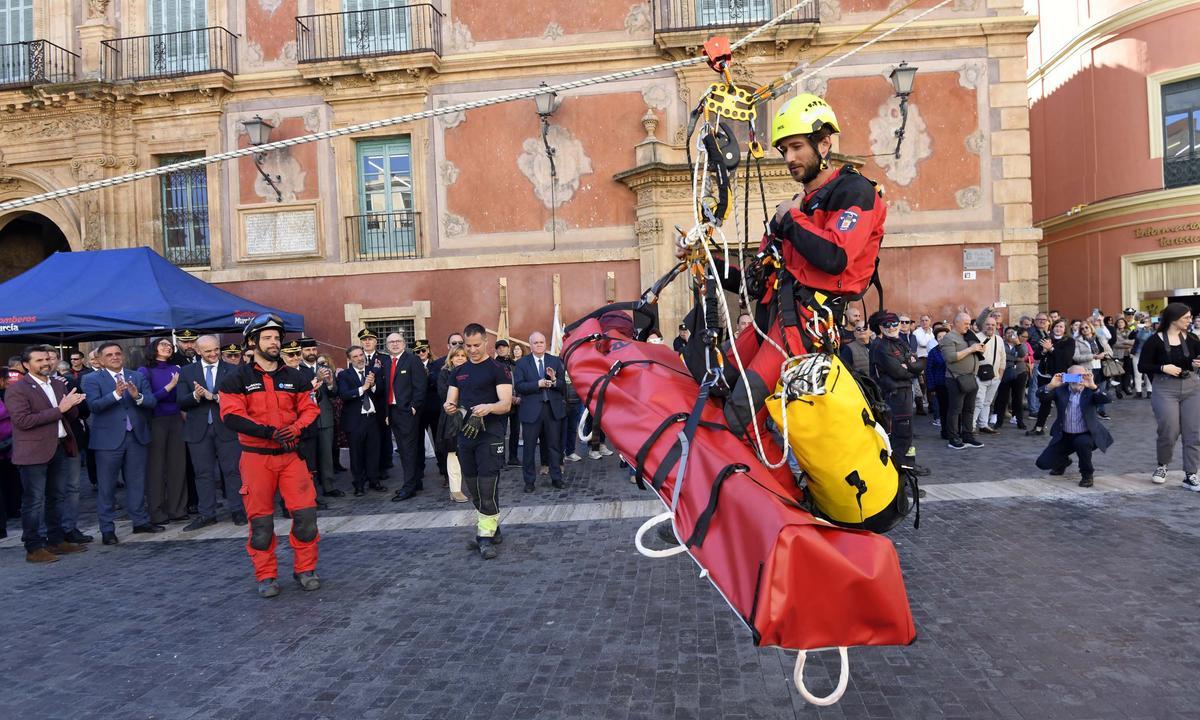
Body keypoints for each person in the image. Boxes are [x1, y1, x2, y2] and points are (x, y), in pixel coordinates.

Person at [219, 314, 322, 597]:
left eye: (277, 338)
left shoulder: (295, 376)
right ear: (252, 342)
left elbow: (310, 409)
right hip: (256, 459)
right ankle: (266, 575)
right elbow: (231, 416)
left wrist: (296, 428)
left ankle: (305, 569)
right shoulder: (236, 379)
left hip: (291, 456)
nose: (274, 342)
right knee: (261, 523)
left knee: (306, 516)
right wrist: (268, 432)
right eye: (267, 338)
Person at [6, 345, 89, 562]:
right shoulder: (17, 389)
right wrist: (60, 409)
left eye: (47, 359)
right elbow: (23, 421)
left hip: (61, 446)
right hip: (33, 451)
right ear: (26, 365)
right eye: (39, 360)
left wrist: (72, 404)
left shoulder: (57, 384)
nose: (45, 363)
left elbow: (68, 415)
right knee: (34, 501)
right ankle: (33, 547)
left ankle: (56, 540)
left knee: (56, 497)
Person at [443, 323, 513, 560]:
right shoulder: (458, 371)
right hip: (466, 435)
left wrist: (489, 407)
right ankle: (494, 527)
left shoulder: (498, 369)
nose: (472, 350)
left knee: (487, 488)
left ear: (486, 342)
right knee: (473, 489)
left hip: (491, 435)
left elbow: (506, 404)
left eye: (476, 345)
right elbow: (451, 401)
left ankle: (484, 537)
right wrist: (449, 407)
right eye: (468, 345)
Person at [82, 341, 160, 545]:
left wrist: (138, 396)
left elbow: (151, 402)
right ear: (100, 359)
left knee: (137, 482)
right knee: (107, 486)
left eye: (117, 353)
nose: (115, 357)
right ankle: (107, 529)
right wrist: (116, 394)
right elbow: (94, 406)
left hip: (136, 436)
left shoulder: (137, 375)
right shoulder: (91, 379)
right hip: (107, 440)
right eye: (109, 355)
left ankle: (140, 521)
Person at [177, 335, 245, 530]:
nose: (214, 354)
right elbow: (180, 401)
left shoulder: (233, 370)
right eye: (208, 351)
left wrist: (214, 397)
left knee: (233, 471)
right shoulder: (187, 372)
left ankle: (238, 510)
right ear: (198, 351)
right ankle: (207, 514)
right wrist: (195, 396)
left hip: (227, 428)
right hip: (197, 430)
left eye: (216, 349)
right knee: (202, 473)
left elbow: (240, 398)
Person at [1137, 302, 1200, 489]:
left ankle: (1191, 474)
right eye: (1186, 318)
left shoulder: (1193, 339)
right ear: (1174, 319)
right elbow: (1142, 366)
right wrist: (1163, 367)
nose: (1190, 321)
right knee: (1169, 429)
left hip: (1192, 387)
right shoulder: (1154, 340)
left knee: (1194, 432)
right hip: (1165, 389)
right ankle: (1162, 465)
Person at [1034, 366, 1112, 488]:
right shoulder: (1061, 389)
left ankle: (1087, 475)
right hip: (1064, 435)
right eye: (1074, 377)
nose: (1078, 380)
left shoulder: (1090, 390)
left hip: (1086, 434)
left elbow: (1107, 398)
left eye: (1081, 376)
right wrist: (1051, 385)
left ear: (1087, 375)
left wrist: (1093, 386)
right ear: (1067, 377)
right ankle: (1063, 462)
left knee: (1082, 443)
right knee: (1042, 463)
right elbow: (1040, 395)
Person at [869, 312, 926, 475]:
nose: (892, 327)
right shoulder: (881, 346)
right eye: (887, 325)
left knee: (907, 434)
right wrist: (910, 369)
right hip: (895, 395)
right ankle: (899, 475)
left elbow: (917, 362)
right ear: (880, 327)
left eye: (895, 323)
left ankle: (909, 465)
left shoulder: (900, 342)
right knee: (899, 435)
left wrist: (909, 367)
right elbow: (897, 372)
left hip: (905, 393)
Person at [141, 337, 188, 525]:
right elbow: (148, 398)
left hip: (176, 419)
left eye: (170, 345)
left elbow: (181, 396)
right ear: (154, 348)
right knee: (156, 468)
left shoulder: (177, 369)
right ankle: (157, 511)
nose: (167, 347)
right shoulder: (145, 370)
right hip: (156, 420)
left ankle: (178, 509)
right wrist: (169, 387)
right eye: (163, 344)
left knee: (178, 465)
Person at [514, 331, 567, 493]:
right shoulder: (522, 363)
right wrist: (537, 384)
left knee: (554, 446)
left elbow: (563, 386)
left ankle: (556, 478)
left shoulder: (555, 361)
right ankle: (529, 481)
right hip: (531, 411)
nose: (539, 345)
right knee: (529, 448)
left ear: (546, 344)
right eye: (535, 342)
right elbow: (519, 387)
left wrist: (554, 381)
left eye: (541, 342)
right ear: (530, 345)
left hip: (552, 410)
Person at [383, 333, 428, 502]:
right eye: (391, 342)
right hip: (393, 411)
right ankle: (415, 481)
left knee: (407, 449)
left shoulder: (412, 360)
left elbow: (420, 385)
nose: (395, 344)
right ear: (387, 345)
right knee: (405, 448)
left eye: (398, 341)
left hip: (407, 411)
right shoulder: (387, 362)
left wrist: (414, 406)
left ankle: (408, 487)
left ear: (404, 343)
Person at [337, 345, 386, 496]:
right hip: (355, 420)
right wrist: (363, 387)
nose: (360, 359)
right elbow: (344, 395)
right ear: (349, 359)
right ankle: (358, 484)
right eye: (355, 357)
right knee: (356, 454)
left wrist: (372, 386)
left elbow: (381, 392)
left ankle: (374, 480)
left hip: (372, 419)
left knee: (374, 451)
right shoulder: (344, 375)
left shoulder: (373, 371)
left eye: (361, 355)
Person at [298, 338, 340, 498]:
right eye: (307, 350)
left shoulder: (325, 368)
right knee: (310, 456)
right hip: (306, 419)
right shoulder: (298, 369)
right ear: (302, 352)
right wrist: (316, 378)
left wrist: (330, 384)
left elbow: (334, 393)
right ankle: (311, 489)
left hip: (325, 417)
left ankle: (328, 486)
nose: (311, 353)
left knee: (326, 454)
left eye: (313, 350)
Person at [939, 312, 986, 450]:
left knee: (969, 409)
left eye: (968, 324)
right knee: (955, 409)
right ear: (956, 323)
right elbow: (950, 357)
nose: (968, 326)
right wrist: (971, 349)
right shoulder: (948, 338)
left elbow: (980, 322)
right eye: (965, 324)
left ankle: (968, 436)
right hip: (956, 378)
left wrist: (980, 350)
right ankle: (953, 438)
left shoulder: (967, 335)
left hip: (970, 377)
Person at [1028, 319, 1077, 436]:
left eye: (1061, 327)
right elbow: (1036, 356)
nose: (1058, 329)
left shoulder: (1069, 341)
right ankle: (1038, 427)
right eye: (1056, 326)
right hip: (1044, 376)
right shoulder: (1046, 339)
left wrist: (1051, 349)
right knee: (1044, 401)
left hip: (1061, 377)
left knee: (1062, 403)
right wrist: (1044, 351)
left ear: (1065, 329)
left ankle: (1066, 428)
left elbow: (1066, 358)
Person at [436, 347, 470, 503]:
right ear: (451, 359)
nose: (460, 358)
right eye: (457, 356)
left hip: (471, 416)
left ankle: (474, 486)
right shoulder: (444, 373)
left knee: (470, 453)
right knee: (453, 454)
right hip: (451, 418)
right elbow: (445, 394)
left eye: (463, 356)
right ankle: (455, 490)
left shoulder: (473, 371)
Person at [356, 328, 391, 473]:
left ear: (376, 341)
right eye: (364, 340)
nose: (367, 342)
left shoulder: (384, 358)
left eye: (370, 339)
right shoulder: (357, 357)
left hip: (381, 403)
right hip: (363, 404)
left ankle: (383, 467)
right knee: (364, 437)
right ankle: (366, 468)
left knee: (382, 435)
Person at [971, 316, 1005, 434]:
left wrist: (1000, 375)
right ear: (983, 325)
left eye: (993, 325)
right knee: (978, 401)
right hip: (979, 375)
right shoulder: (976, 338)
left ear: (996, 326)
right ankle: (971, 425)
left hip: (995, 376)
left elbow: (1002, 358)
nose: (990, 327)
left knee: (988, 401)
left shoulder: (999, 339)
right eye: (988, 324)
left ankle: (983, 424)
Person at [1074, 321, 1113, 418]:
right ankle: (1088, 412)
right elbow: (1076, 357)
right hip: (1087, 369)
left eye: (1086, 327)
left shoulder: (1100, 339)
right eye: (1082, 329)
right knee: (1087, 392)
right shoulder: (1078, 341)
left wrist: (1103, 354)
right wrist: (1093, 356)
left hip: (1102, 368)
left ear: (1091, 328)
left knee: (1100, 391)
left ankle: (1101, 411)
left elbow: (1110, 352)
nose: (1084, 330)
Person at [993, 328, 1030, 430]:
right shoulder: (1001, 344)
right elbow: (1000, 357)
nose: (1010, 334)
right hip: (1004, 372)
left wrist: (1017, 344)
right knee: (1002, 398)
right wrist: (1016, 359)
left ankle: (1019, 421)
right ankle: (999, 421)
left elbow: (1023, 354)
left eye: (1012, 333)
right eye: (1008, 333)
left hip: (1020, 373)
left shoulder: (1021, 344)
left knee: (1018, 398)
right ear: (1004, 335)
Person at [925, 325, 950, 433]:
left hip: (953, 383)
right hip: (940, 384)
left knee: (953, 409)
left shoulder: (953, 350)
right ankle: (945, 431)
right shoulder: (933, 352)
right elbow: (929, 370)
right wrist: (931, 387)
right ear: (936, 339)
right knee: (944, 409)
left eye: (944, 336)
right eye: (939, 337)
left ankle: (955, 430)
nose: (942, 338)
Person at [505, 342, 525, 466]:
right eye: (515, 349)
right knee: (503, 430)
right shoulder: (509, 365)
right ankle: (501, 459)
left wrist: (520, 398)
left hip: (520, 401)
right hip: (508, 400)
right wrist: (510, 397)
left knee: (516, 430)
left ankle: (513, 457)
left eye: (519, 349)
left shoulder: (526, 364)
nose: (517, 351)